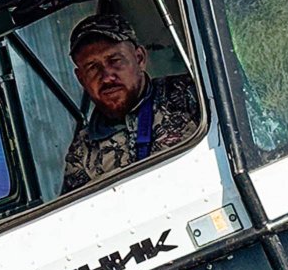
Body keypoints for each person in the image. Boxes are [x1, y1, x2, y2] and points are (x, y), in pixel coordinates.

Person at [60, 11, 200, 194]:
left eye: (115, 60)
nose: (107, 77)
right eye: (92, 67)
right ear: (81, 79)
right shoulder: (82, 150)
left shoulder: (188, 93)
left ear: (140, 58)